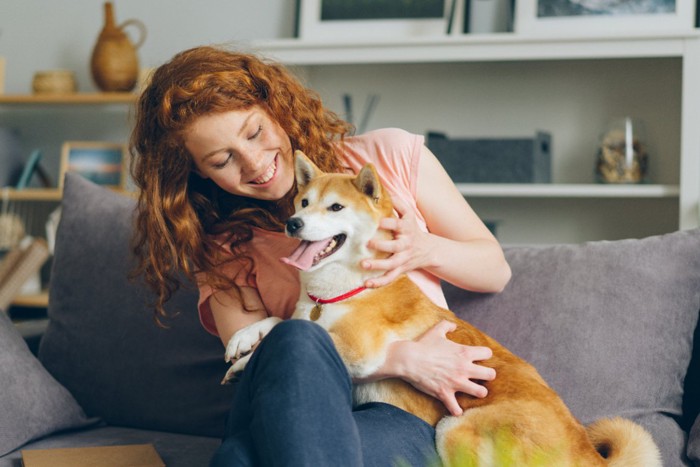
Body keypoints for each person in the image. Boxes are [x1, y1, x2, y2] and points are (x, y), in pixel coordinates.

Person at [129, 45, 512, 466]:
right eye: (223, 160)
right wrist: (398, 359)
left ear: (275, 107)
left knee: (240, 459)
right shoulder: (224, 246)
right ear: (198, 173)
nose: (255, 163)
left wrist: (423, 247)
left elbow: (494, 270)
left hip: (400, 413)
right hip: (286, 406)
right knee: (294, 336)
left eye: (255, 133)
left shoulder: (387, 156)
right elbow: (261, 364)